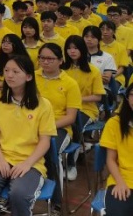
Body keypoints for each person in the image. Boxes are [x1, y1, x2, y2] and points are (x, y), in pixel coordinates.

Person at [0, 55, 57, 216]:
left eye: (15, 71)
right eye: (6, 70)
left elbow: (45, 141)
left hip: (30, 161)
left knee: (19, 194)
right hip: (0, 155)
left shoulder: (43, 105)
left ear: (28, 77)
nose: (9, 75)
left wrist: (27, 163)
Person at [35, 42, 82, 206]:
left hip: (59, 128)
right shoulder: (31, 77)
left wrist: (46, 127)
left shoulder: (70, 84)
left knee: (50, 151)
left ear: (61, 61)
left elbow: (71, 118)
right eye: (42, 58)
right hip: (31, 125)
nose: (45, 62)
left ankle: (56, 201)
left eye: (50, 59)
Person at [62, 34, 105, 180]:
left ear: (82, 49)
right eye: (69, 48)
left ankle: (71, 164)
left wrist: (76, 99)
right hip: (62, 108)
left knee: (75, 123)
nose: (72, 51)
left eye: (75, 48)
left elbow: (98, 97)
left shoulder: (93, 70)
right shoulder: (62, 69)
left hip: (86, 109)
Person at [99, 83, 133, 216]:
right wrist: (120, 182)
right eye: (132, 95)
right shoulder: (114, 124)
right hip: (122, 178)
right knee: (118, 211)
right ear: (127, 98)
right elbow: (111, 160)